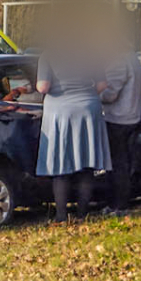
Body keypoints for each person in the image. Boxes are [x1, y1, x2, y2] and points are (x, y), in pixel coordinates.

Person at [36, 45, 110, 223]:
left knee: (60, 164)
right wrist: (85, 93)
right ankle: (82, 214)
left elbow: (43, 87)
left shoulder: (48, 55)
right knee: (87, 164)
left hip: (61, 112)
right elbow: (102, 84)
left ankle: (61, 216)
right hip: (88, 111)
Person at [102, 47, 141, 214]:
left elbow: (110, 94)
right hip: (132, 116)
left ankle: (118, 205)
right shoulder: (133, 59)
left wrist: (92, 95)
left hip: (117, 118)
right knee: (124, 163)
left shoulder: (119, 62)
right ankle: (120, 203)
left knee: (117, 164)